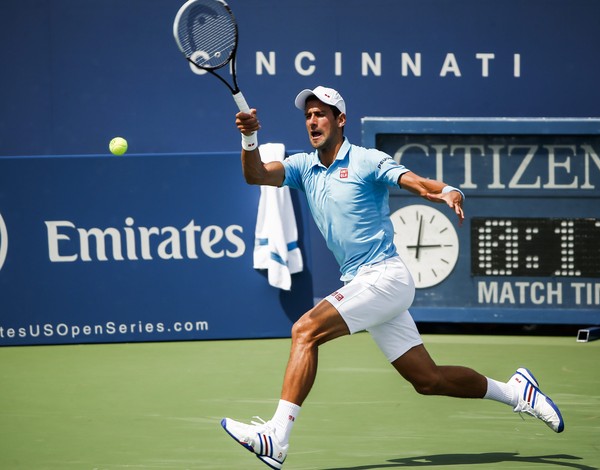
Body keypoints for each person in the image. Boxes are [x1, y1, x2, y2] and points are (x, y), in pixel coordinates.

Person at [221, 86, 564, 469]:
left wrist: (447, 190)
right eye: (308, 115)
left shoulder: (367, 160)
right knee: (428, 380)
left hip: (385, 277)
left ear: (340, 120)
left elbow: (414, 181)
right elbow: (256, 175)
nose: (313, 121)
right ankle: (517, 392)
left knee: (305, 330)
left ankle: (276, 436)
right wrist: (249, 137)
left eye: (321, 114)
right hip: (363, 284)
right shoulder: (303, 166)